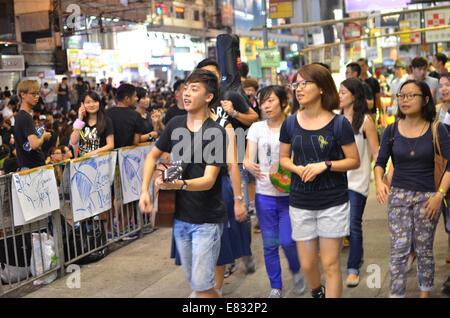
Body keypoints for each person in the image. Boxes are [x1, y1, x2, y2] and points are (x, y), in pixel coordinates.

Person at [139, 69, 227, 298]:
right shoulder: (175, 123)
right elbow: (152, 156)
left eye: (194, 89)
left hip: (207, 220)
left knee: (200, 284)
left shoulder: (216, 133)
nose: (186, 93)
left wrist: (178, 184)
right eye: (185, 88)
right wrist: (145, 192)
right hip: (179, 217)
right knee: (197, 283)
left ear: (208, 97)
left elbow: (208, 181)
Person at [279, 64, 360, 298]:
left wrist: (324, 165)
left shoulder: (338, 123)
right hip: (300, 200)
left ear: (322, 87)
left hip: (333, 201)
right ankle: (317, 291)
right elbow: (283, 158)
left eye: (305, 83)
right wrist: (297, 168)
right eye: (296, 84)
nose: (299, 89)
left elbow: (353, 160)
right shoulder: (290, 123)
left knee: (331, 264)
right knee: (307, 264)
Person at [375, 79, 450, 298]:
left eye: (411, 95)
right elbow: (380, 162)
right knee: (399, 249)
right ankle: (396, 294)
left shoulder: (438, 130)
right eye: (401, 95)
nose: (404, 100)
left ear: (425, 99)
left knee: (424, 248)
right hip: (398, 195)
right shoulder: (391, 130)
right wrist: (379, 181)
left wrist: (440, 195)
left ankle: (424, 293)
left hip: (428, 197)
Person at [197, 58, 257, 275]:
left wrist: (234, 113)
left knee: (239, 211)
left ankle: (245, 250)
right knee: (215, 215)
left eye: (212, 74)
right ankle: (225, 258)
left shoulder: (231, 96)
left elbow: (254, 117)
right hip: (206, 169)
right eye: (202, 74)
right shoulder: (196, 103)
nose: (207, 78)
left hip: (235, 162)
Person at [244, 85, 305, 298]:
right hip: (264, 195)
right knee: (269, 243)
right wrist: (248, 164)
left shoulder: (294, 126)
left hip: (290, 195)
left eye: (270, 100)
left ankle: (296, 270)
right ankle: (276, 286)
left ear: (282, 102)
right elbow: (248, 158)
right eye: (262, 101)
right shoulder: (256, 128)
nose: (266, 106)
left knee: (288, 241)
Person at [339, 78, 380, 287]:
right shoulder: (335, 120)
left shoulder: (365, 121)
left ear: (354, 96)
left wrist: (381, 180)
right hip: (336, 182)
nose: (339, 96)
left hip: (357, 183)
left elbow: (376, 153)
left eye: (343, 92)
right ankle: (357, 256)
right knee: (340, 226)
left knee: (353, 224)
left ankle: (353, 267)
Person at [13, 80, 52, 170]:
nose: (37, 97)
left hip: (29, 167)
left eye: (38, 93)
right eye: (33, 94)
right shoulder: (26, 117)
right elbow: (34, 144)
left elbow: (27, 143)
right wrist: (43, 136)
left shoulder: (21, 116)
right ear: (23, 95)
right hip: (33, 169)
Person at [70, 91, 114, 157]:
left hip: (99, 162)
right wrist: (80, 118)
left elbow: (110, 145)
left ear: (99, 103)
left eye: (95, 101)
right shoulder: (80, 121)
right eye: (88, 102)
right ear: (82, 104)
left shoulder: (106, 120)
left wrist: (92, 153)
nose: (92, 105)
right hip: (82, 163)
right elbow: (73, 141)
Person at [106, 84, 142, 148]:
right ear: (127, 98)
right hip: (127, 154)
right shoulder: (136, 115)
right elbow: (136, 141)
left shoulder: (106, 113)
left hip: (107, 155)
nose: (137, 99)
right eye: (135, 96)